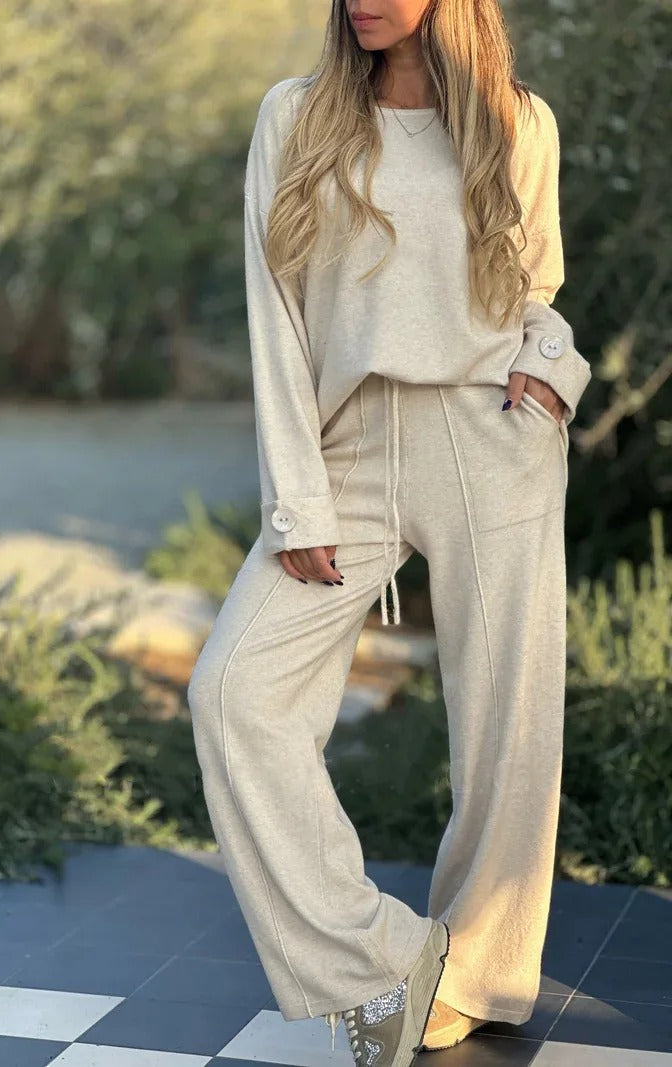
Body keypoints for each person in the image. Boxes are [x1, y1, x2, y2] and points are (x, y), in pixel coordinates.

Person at [187, 0, 593, 1064]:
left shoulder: (518, 123)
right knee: (234, 692)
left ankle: (479, 976)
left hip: (490, 430)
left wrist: (551, 373)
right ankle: (387, 959)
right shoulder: (297, 116)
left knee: (508, 724)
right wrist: (296, 497)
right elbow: (274, 311)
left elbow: (537, 287)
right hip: (348, 442)